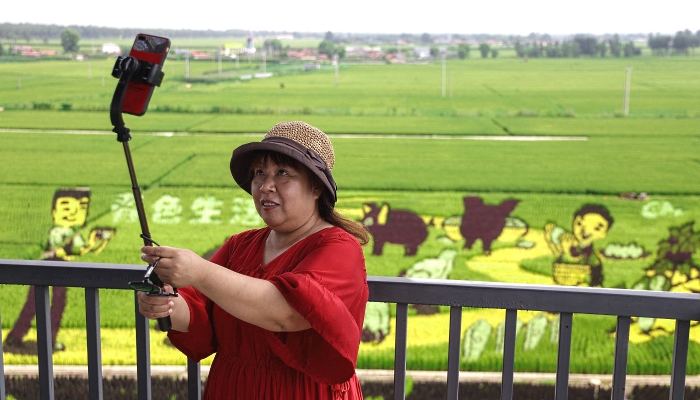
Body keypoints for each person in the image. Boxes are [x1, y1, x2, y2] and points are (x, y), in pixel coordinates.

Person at [137, 121, 370, 399]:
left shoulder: (339, 248)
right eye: (260, 173)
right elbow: (200, 312)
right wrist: (168, 303)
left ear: (316, 187)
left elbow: (286, 313)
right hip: (232, 387)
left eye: (282, 173)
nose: (266, 186)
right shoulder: (241, 245)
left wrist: (199, 271)